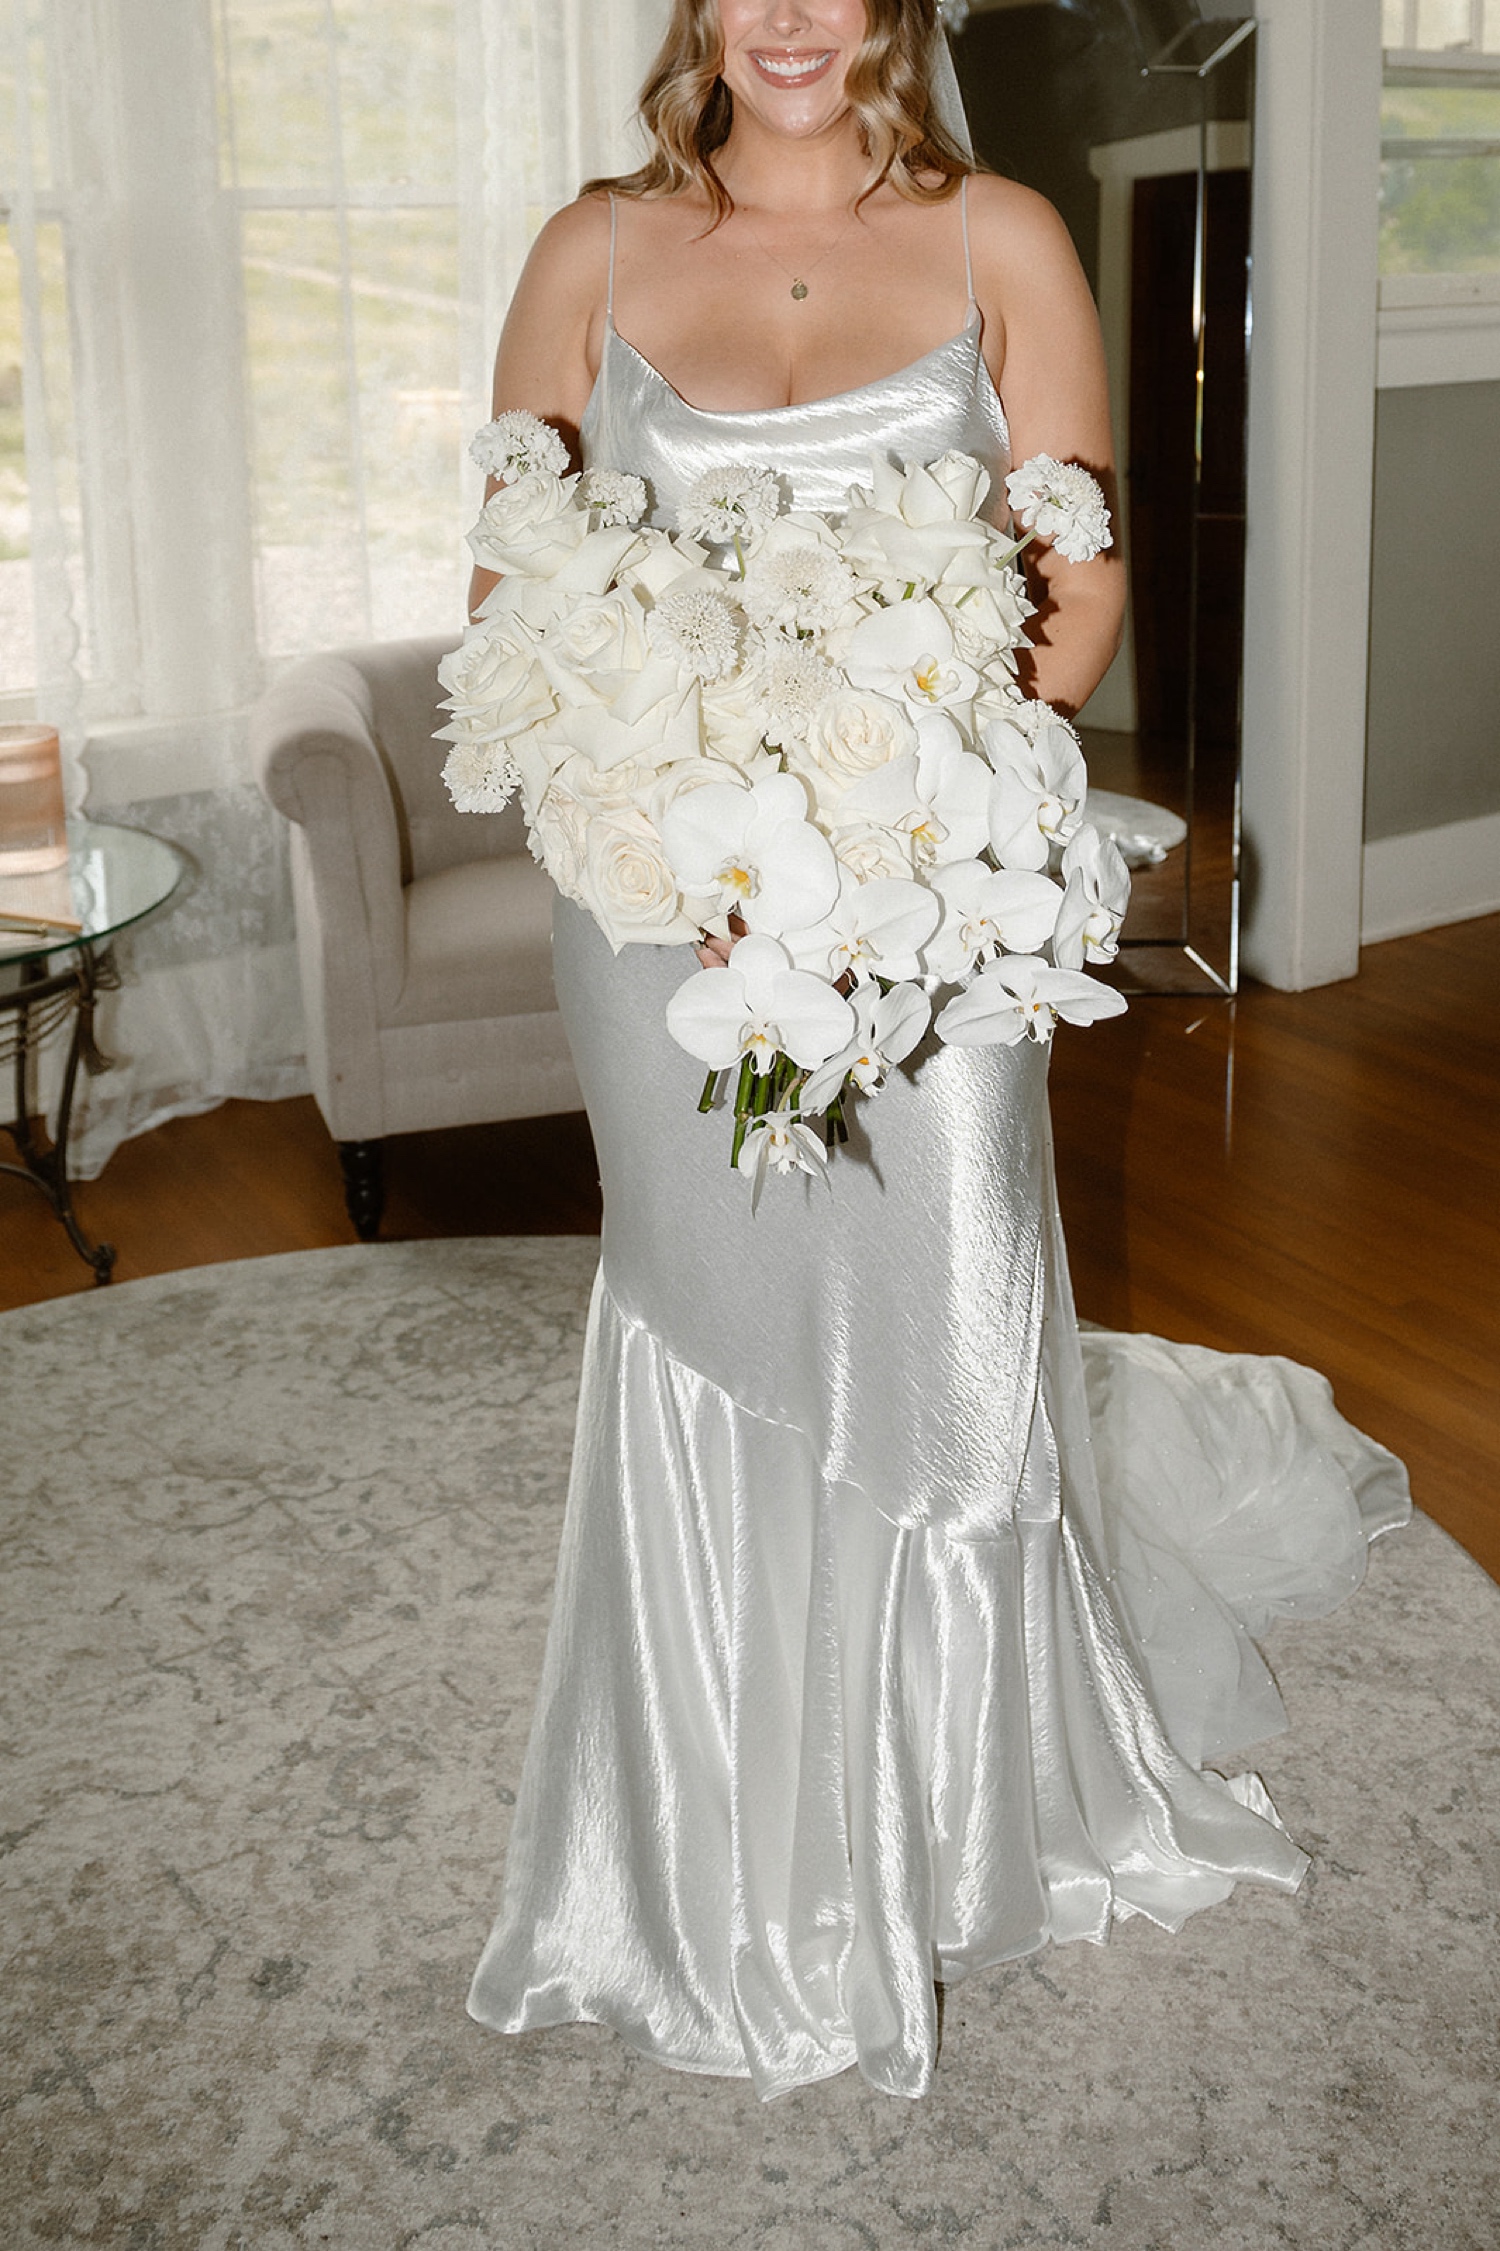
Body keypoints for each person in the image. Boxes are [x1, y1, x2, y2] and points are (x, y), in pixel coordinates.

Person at [464, 0, 1409, 2101]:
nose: (790, 17)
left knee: (941, 1314)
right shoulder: (588, 251)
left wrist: (908, 808)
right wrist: (671, 809)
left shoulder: (1002, 237)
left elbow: (1073, 593)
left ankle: (971, 1815)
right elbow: (508, 586)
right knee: (710, 1315)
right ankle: (704, 1830)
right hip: (662, 907)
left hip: (937, 892)